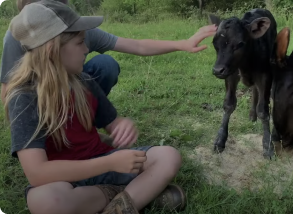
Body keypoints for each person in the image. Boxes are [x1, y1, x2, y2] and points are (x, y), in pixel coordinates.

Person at [4, 1, 214, 214]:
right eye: (80, 43)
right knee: (45, 202)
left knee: (169, 157)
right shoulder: (24, 98)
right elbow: (37, 173)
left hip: (101, 161)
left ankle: (117, 204)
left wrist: (121, 126)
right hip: (62, 179)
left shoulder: (84, 82)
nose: (87, 49)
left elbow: (113, 124)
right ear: (52, 50)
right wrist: (110, 163)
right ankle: (129, 194)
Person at [1, 0, 217, 101]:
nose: (86, 47)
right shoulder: (17, 35)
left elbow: (137, 45)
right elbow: (8, 88)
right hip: (37, 97)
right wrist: (24, 126)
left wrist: (182, 44)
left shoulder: (76, 30)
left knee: (105, 65)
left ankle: (86, 119)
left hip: (68, 87)